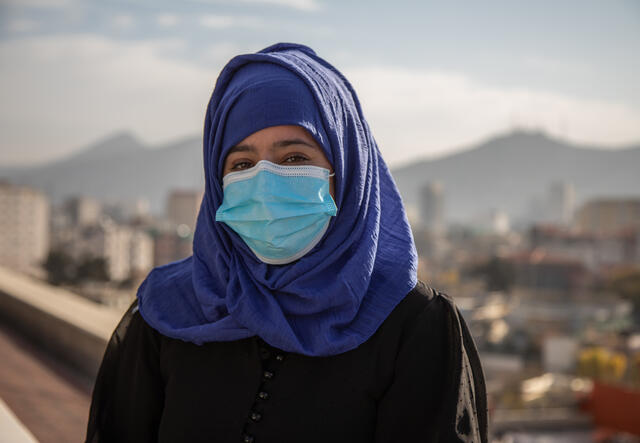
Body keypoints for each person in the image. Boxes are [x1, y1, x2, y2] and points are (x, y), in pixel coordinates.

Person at [85, 43, 487, 443]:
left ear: (346, 171)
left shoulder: (414, 326)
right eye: (241, 164)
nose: (264, 184)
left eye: (294, 157)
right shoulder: (170, 312)